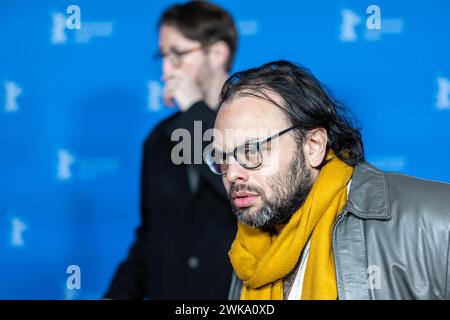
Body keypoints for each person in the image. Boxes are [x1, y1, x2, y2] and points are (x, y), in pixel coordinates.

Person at [204, 60, 450, 300]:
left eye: (251, 151)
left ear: (313, 146)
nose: (232, 173)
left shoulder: (433, 222)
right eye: (223, 157)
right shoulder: (247, 254)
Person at [105, 1, 238, 299]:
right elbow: (152, 238)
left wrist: (194, 110)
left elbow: (237, 191)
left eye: (177, 54)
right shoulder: (159, 138)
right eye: (162, 56)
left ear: (217, 53)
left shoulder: (262, 126)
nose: (165, 70)